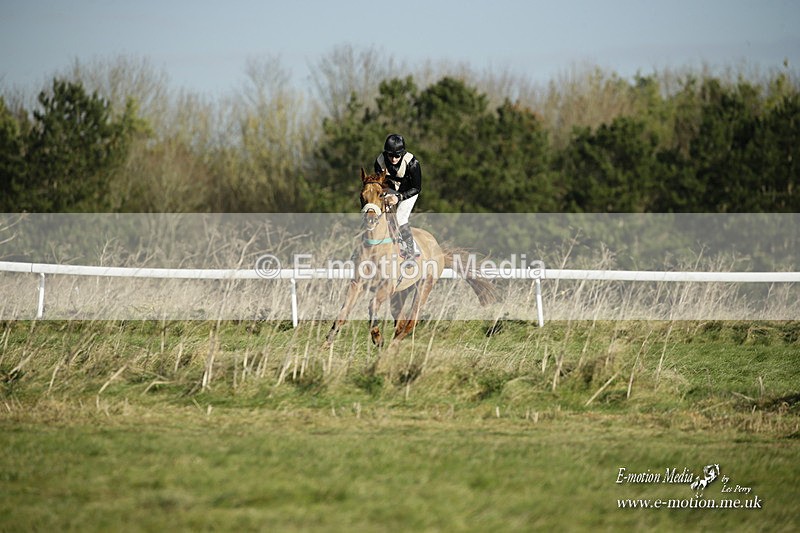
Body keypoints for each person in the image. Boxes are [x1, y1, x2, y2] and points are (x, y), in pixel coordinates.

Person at [374, 133, 422, 258]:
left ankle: (412, 250)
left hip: (409, 192)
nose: (394, 159)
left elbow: (416, 188)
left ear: (402, 154)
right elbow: (380, 183)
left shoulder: (412, 163)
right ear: (386, 153)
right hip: (390, 189)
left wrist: (399, 197)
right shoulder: (380, 161)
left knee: (400, 218)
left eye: (397, 156)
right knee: (381, 214)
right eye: (390, 155)